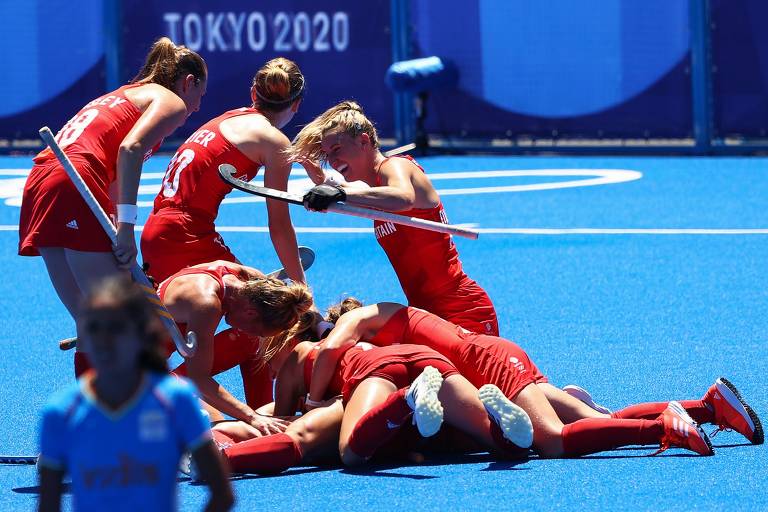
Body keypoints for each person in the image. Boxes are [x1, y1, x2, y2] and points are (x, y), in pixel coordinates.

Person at [307, 301, 764, 457]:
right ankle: (709, 406)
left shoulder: (367, 318)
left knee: (552, 442)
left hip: (487, 362)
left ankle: (665, 429)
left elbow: (330, 348)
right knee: (591, 419)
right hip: (495, 355)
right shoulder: (390, 323)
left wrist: (309, 403)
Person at [19, 37, 207, 375]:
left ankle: (96, 417)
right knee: (121, 319)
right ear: (188, 82)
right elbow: (131, 151)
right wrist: (126, 229)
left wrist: (116, 229)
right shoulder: (170, 101)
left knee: (90, 317)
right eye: (199, 95)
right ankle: (150, 416)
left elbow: (115, 173)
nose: (196, 107)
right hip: (73, 181)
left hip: (42, 181)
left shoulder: (126, 93)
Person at [287, 101, 498, 336]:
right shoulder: (372, 189)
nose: (334, 162)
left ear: (364, 141)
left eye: (336, 149)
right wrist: (309, 165)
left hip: (460, 308)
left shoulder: (395, 166)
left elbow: (403, 197)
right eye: (328, 155)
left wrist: (341, 193)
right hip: (424, 313)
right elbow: (335, 186)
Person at [37, 275, 233, 512]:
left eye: (116, 329)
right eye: (94, 328)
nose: (103, 340)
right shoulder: (61, 411)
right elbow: (48, 506)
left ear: (141, 336)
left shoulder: (175, 401)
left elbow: (222, 495)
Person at [141, 57, 307, 285]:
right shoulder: (275, 142)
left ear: (253, 94)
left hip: (155, 233)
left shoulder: (230, 119)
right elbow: (279, 227)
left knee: (177, 319)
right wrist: (303, 290)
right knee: (272, 313)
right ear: (296, 105)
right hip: (186, 237)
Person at [157, 260, 313, 433]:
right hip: (135, 368)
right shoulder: (206, 305)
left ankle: (264, 414)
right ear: (250, 313)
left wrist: (275, 363)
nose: (254, 335)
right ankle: (260, 419)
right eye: (259, 332)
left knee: (252, 348)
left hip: (155, 343)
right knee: (211, 428)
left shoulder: (250, 280)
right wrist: (251, 416)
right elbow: (198, 378)